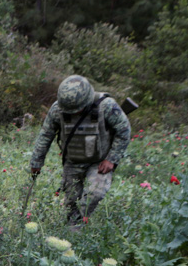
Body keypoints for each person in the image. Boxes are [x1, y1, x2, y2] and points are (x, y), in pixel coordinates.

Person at [29, 75, 131, 227]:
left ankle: (79, 226)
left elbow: (124, 131)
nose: (72, 113)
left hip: (99, 161)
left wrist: (112, 159)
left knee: (94, 194)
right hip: (72, 161)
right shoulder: (58, 109)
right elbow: (46, 135)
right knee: (71, 201)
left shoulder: (106, 106)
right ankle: (73, 232)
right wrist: (37, 161)